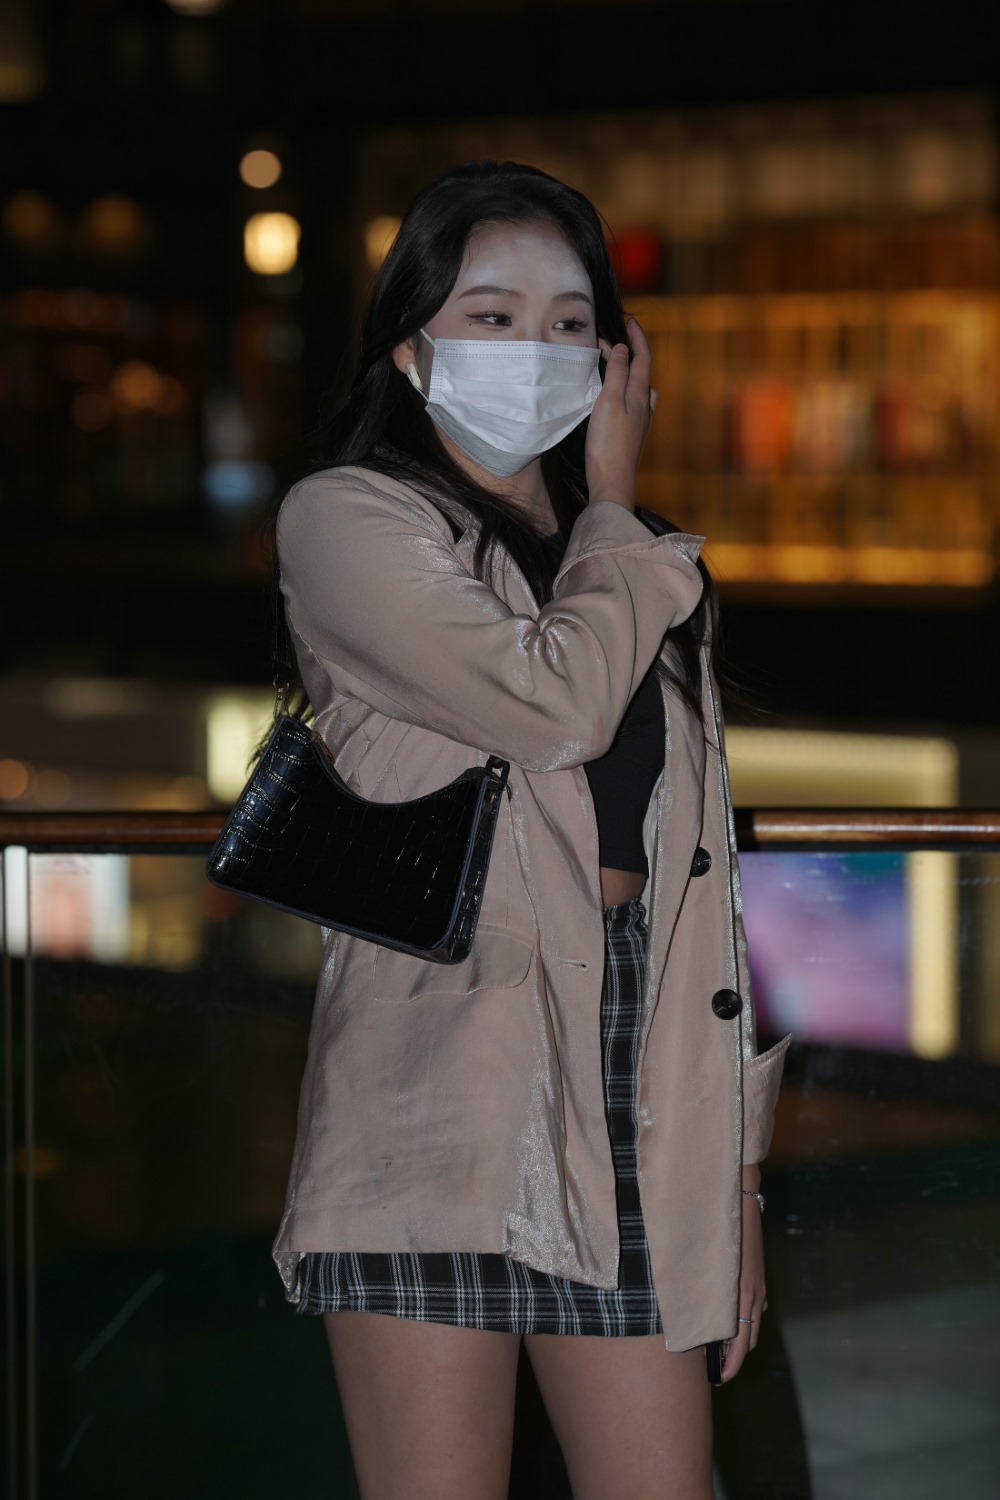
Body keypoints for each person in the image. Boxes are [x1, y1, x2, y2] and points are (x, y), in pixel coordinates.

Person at [271, 160, 790, 1500]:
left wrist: (733, 1186)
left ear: (617, 355)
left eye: (569, 321)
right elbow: (550, 705)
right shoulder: (352, 518)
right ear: (409, 344)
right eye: (490, 315)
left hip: (639, 1095)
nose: (535, 347)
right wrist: (613, 506)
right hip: (443, 1092)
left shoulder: (639, 564)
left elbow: (705, 896)